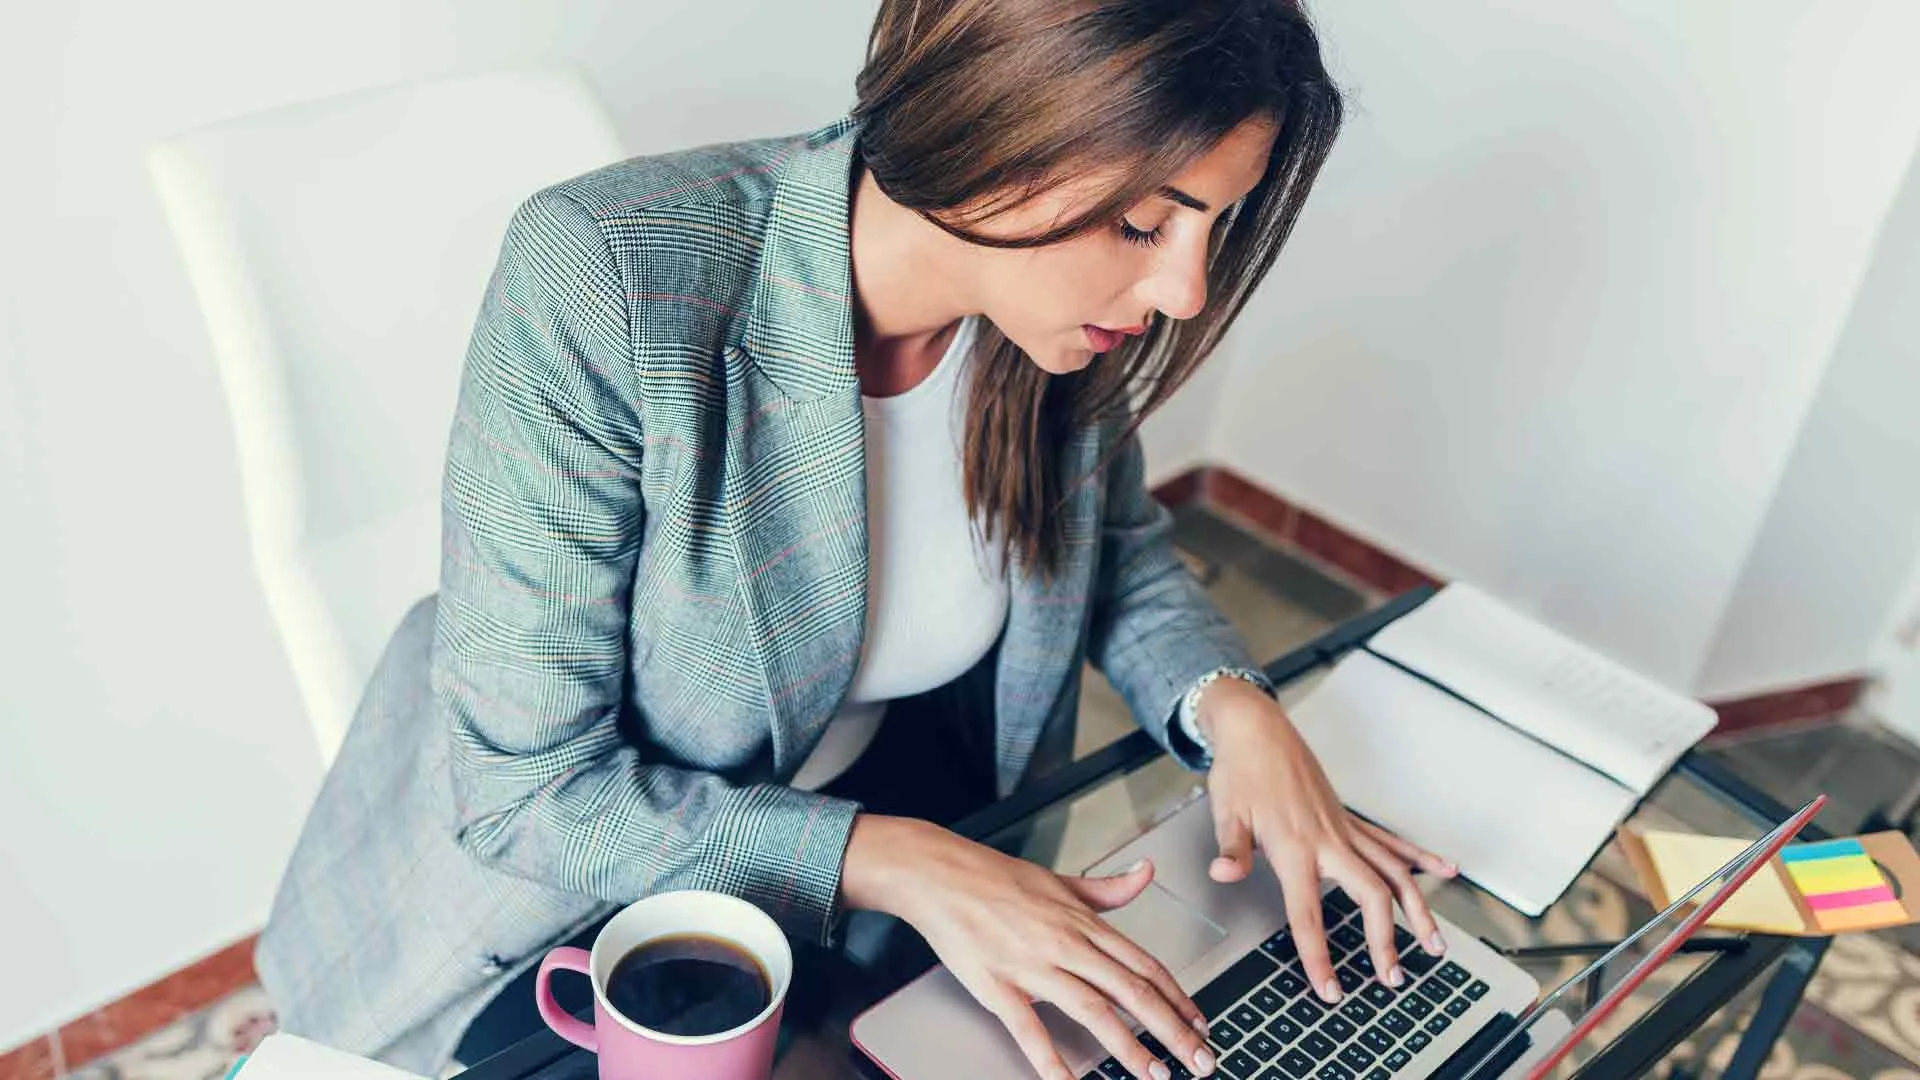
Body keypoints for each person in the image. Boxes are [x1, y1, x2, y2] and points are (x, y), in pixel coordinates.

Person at [255, 1, 1459, 1077]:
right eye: (1147, 223)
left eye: (1214, 227)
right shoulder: (610, 276)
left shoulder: (1045, 326)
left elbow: (1115, 553)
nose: (1187, 293)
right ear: (999, 136)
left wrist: (1236, 712)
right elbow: (532, 795)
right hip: (567, 913)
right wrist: (905, 864)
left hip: (886, 871)